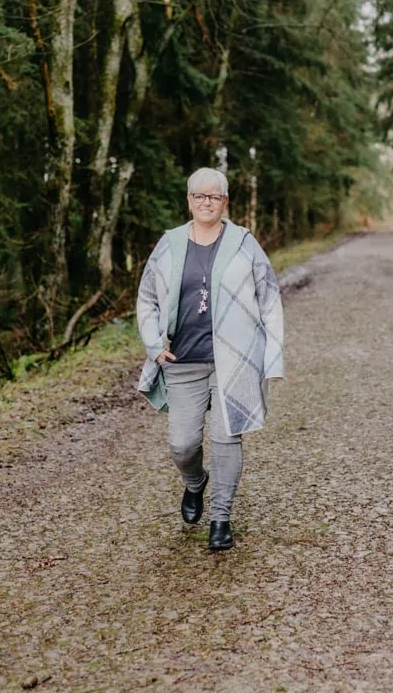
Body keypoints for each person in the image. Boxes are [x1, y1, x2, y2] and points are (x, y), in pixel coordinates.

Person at [135, 167, 285, 550]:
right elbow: (147, 298)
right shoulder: (169, 244)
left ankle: (221, 519)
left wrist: (272, 356)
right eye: (199, 196)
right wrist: (153, 344)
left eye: (214, 196)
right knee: (182, 445)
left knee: (225, 436)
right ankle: (195, 483)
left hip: (233, 361)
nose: (206, 202)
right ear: (188, 201)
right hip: (182, 359)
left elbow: (270, 299)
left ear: (225, 201)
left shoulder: (243, 243)